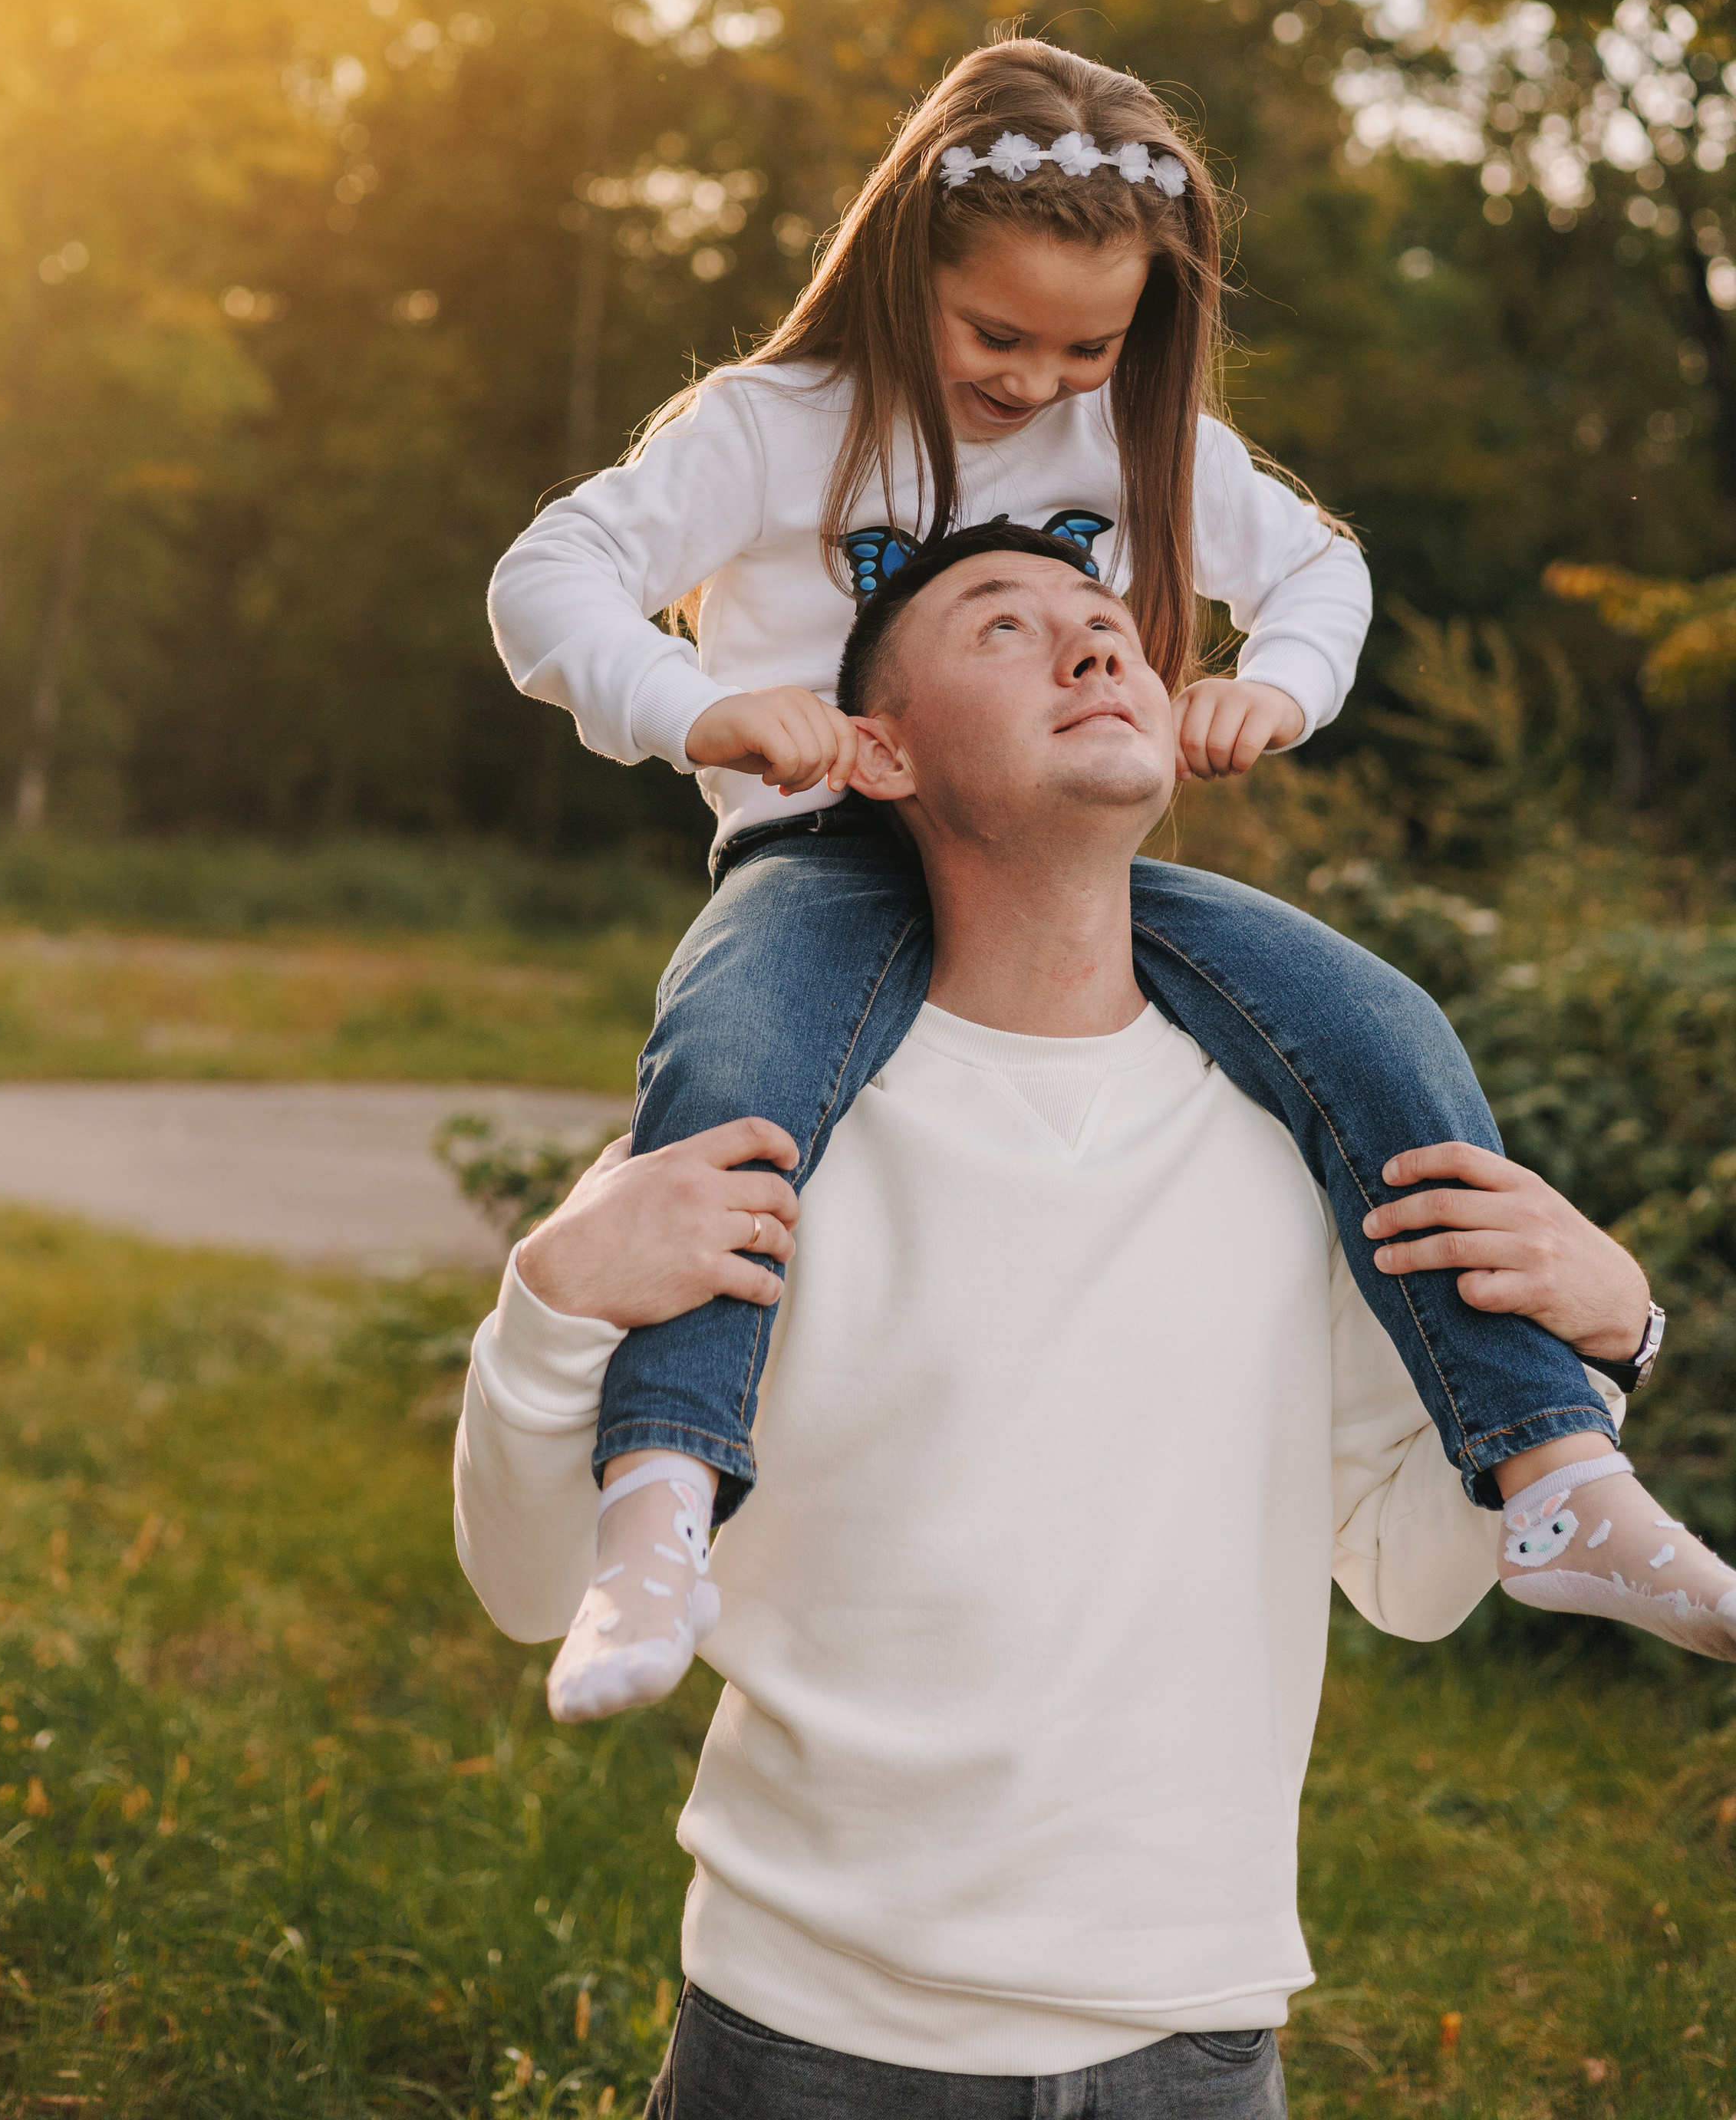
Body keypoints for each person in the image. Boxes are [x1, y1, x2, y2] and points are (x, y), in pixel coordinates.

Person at [456, 531, 1731, 2116]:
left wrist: (1606, 1344)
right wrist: (554, 1298)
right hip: (810, 2047)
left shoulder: (1298, 1137)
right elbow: (526, 1596)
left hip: (1197, 2045)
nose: (1089, 649)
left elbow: (1411, 1577)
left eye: (1105, 624)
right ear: (882, 750)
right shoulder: (753, 1131)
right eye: (1004, 626)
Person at [488, 40, 1667, 1726]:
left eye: (1087, 345)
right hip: (821, 854)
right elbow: (550, 575)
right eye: (997, 336)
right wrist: (698, 707)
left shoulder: (1134, 437)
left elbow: (1317, 571)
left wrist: (1279, 686)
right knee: (731, 1078)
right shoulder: (776, 427)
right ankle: (659, 1504)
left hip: (1058, 855)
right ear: (910, 268)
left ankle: (1551, 1467)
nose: (1040, 381)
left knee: (1366, 1014)